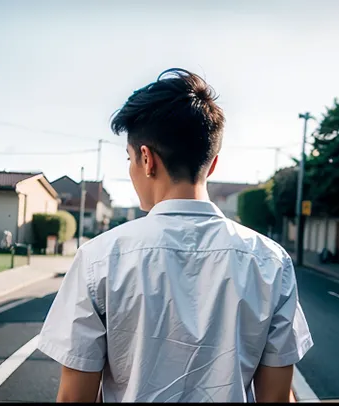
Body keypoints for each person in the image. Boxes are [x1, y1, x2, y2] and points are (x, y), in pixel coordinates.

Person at [37, 68, 313, 403]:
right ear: (211, 165)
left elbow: (73, 399)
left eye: (129, 158)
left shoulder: (98, 259)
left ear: (146, 159)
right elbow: (277, 399)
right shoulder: (271, 261)